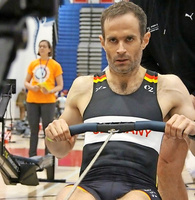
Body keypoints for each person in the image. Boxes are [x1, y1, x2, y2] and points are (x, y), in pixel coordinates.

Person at [45, 2, 195, 200]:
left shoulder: (168, 87)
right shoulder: (83, 87)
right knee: (66, 196)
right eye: (113, 40)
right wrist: (52, 136)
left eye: (129, 39)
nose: (121, 49)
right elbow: (60, 151)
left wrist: (191, 132)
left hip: (140, 189)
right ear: (102, 42)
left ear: (145, 40)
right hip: (89, 186)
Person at [128, 0, 195, 199]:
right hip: (174, 96)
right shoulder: (141, 5)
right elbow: (144, 56)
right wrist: (166, 93)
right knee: (165, 166)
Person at [24, 39, 63, 157]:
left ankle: (48, 156)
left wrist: (50, 90)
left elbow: (60, 85)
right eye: (40, 46)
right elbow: (26, 82)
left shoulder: (55, 65)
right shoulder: (33, 64)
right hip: (32, 100)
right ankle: (32, 156)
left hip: (48, 101)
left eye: (44, 46)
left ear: (49, 49)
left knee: (48, 131)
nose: (42, 48)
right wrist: (32, 87)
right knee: (33, 130)